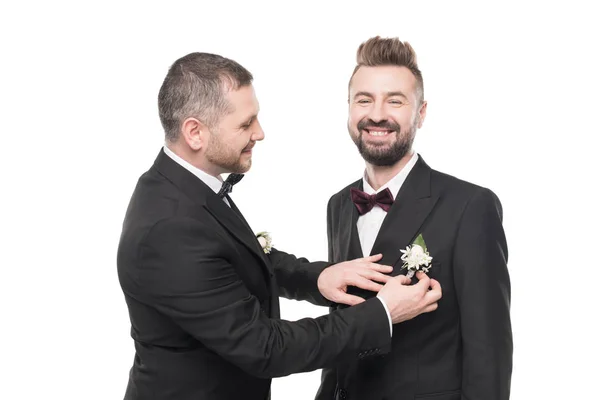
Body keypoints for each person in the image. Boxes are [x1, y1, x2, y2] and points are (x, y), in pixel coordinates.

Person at [117, 52, 442, 400]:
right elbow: (266, 348)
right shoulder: (168, 229)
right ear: (195, 132)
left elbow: (232, 257)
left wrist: (315, 278)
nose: (259, 133)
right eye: (245, 124)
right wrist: (381, 314)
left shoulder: (181, 184)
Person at [316, 37, 512, 400]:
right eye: (364, 99)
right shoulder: (338, 205)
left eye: (395, 100)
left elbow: (490, 353)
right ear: (348, 109)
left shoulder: (471, 205)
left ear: (420, 114)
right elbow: (342, 326)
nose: (377, 114)